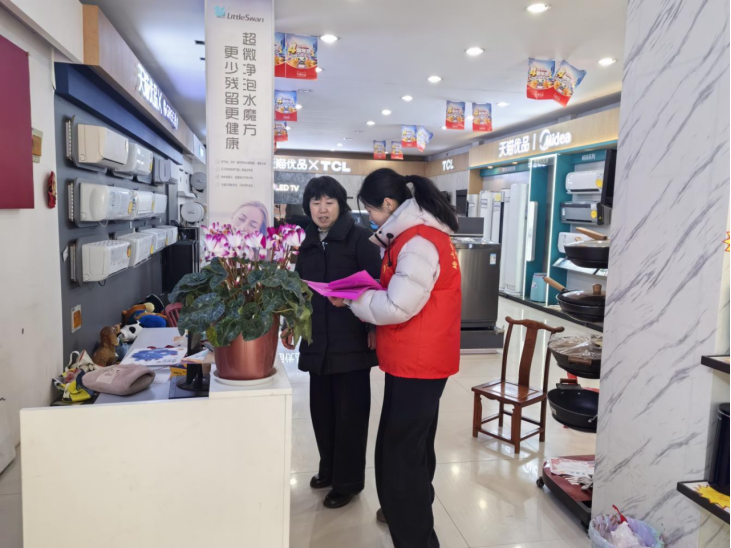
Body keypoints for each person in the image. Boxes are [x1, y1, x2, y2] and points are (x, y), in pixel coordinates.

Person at [329, 168, 462, 547]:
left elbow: (398, 306)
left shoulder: (418, 242)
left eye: (371, 209)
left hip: (417, 360)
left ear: (389, 204)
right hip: (418, 358)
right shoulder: (417, 236)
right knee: (411, 447)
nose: (370, 217)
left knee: (400, 457)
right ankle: (406, 517)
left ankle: (417, 538)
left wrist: (354, 299)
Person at [283, 176, 382, 509]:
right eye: (316, 202)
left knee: (350, 415)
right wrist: (291, 322)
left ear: (341, 204)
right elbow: (298, 290)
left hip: (350, 339)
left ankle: (348, 482)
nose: (322, 209)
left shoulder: (360, 239)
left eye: (329, 202)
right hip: (317, 341)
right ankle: (329, 468)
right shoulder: (307, 241)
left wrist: (373, 326)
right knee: (322, 412)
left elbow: (377, 286)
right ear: (307, 206)